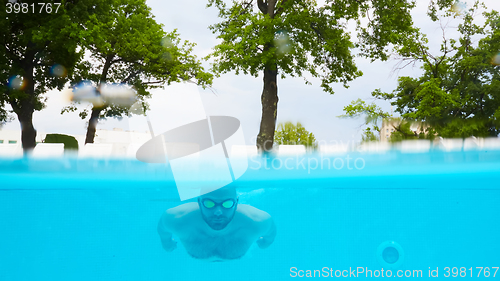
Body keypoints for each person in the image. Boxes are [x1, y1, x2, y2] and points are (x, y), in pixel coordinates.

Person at [157, 186, 276, 261]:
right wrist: (165, 241)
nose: (218, 212)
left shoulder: (257, 221)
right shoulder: (177, 218)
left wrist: (266, 242)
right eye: (209, 203)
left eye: (227, 204)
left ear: (237, 202)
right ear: (199, 201)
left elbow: (270, 234)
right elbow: (163, 227)